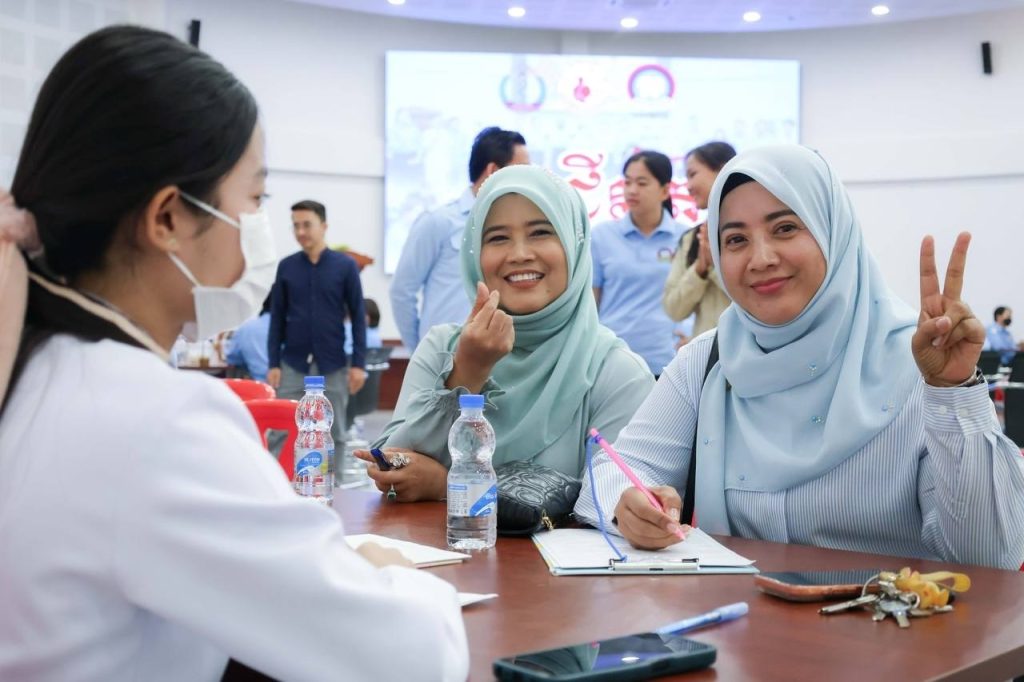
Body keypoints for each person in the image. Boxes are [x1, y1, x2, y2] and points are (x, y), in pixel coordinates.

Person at [0, 26, 467, 680]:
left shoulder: (35, 363)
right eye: (254, 199)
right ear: (168, 218)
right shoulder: (155, 420)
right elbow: (409, 658)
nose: (262, 229)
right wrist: (397, 575)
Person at [576, 144, 1024, 570]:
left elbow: (988, 556)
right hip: (736, 620)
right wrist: (627, 505)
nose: (761, 258)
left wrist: (953, 393)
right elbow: (615, 470)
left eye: (785, 228)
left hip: (888, 621)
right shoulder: (709, 362)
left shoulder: (919, 365)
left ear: (834, 232)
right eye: (736, 239)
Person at [358, 165, 654, 502]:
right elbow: (393, 469)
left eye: (541, 232)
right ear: (475, 254)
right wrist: (466, 373)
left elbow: (607, 507)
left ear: (574, 244)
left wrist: (451, 486)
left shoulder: (616, 373)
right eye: (498, 238)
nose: (519, 254)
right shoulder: (444, 348)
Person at [390, 126, 529, 352]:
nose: (529, 181)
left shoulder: (519, 229)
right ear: (493, 171)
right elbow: (402, 291)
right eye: (522, 171)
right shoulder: (439, 222)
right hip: (445, 357)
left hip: (501, 357)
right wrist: (422, 352)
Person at [267, 200, 367, 456]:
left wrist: (358, 364)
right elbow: (277, 316)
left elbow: (358, 316)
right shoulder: (287, 267)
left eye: (307, 225)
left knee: (335, 433)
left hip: (332, 364)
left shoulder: (345, 266)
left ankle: (336, 482)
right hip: (292, 363)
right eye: (295, 226)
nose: (300, 232)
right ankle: (278, 481)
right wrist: (273, 363)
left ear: (324, 226)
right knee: (281, 431)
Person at [591, 150, 685, 376]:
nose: (632, 190)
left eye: (642, 183)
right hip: (612, 358)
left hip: (668, 360)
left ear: (665, 191)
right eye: (627, 182)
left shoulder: (685, 237)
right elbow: (591, 303)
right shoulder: (602, 235)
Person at [663, 141, 737, 338]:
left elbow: (759, 300)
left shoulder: (755, 233)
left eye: (693, 174)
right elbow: (673, 309)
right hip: (706, 355)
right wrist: (700, 269)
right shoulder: (692, 239)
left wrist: (714, 266)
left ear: (723, 169)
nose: (688, 186)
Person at [225, 293, 272, 381]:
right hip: (295, 386)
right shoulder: (296, 328)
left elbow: (232, 358)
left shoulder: (246, 328)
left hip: (260, 385)